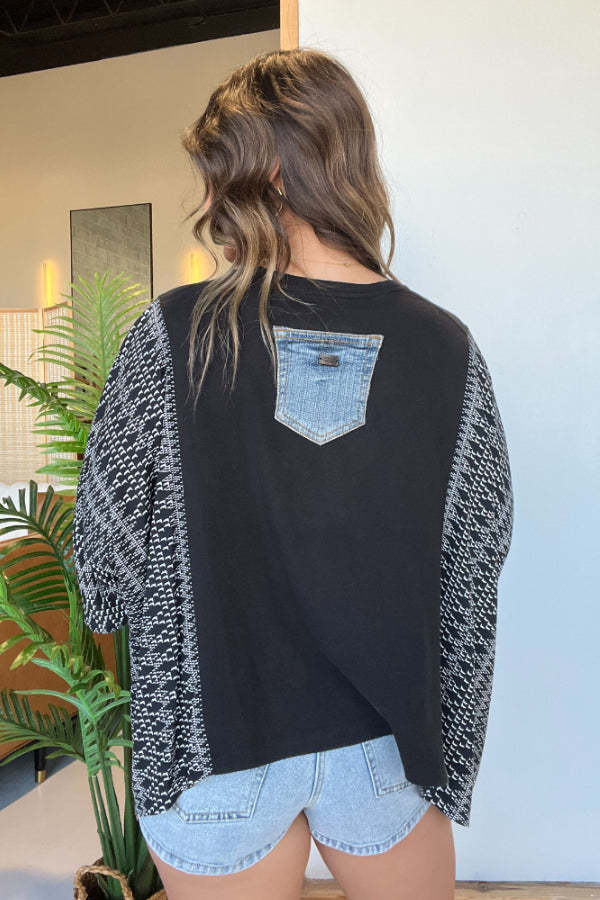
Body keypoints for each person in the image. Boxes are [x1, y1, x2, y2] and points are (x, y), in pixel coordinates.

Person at [73, 47, 514, 900]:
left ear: (271, 169)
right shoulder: (446, 348)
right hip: (382, 738)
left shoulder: (175, 335)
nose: (208, 197)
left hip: (216, 734)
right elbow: (478, 551)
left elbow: (105, 549)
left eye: (219, 168)